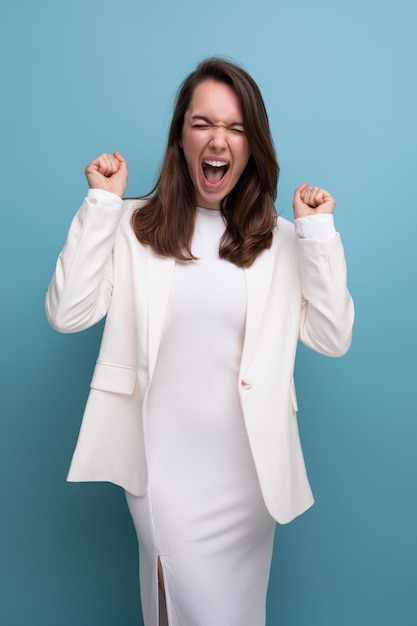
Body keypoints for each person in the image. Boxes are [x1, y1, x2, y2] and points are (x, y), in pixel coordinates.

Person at [46, 57, 354, 626]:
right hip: (163, 472)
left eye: (236, 128)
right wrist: (101, 205)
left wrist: (318, 234)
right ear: (180, 137)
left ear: (253, 144)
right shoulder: (133, 226)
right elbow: (68, 313)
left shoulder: (283, 242)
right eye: (202, 123)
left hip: (248, 479)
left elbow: (332, 338)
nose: (219, 139)